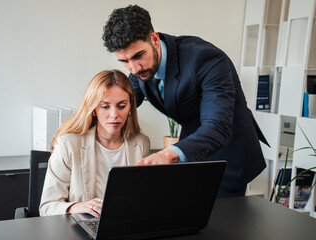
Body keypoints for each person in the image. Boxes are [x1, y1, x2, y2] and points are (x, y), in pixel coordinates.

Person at [102, 5, 268, 198]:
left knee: (221, 222)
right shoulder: (138, 70)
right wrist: (81, 129)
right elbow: (125, 104)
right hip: (191, 149)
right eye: (124, 61)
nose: (134, 68)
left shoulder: (207, 60)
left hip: (229, 153)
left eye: (138, 56)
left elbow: (217, 128)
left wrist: (166, 154)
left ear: (154, 39)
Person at [39, 69, 150, 216]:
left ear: (130, 107)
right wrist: (78, 207)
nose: (114, 115)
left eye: (122, 106)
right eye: (105, 107)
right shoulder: (69, 144)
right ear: (93, 109)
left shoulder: (141, 143)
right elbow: (47, 207)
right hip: (81, 228)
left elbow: (145, 199)